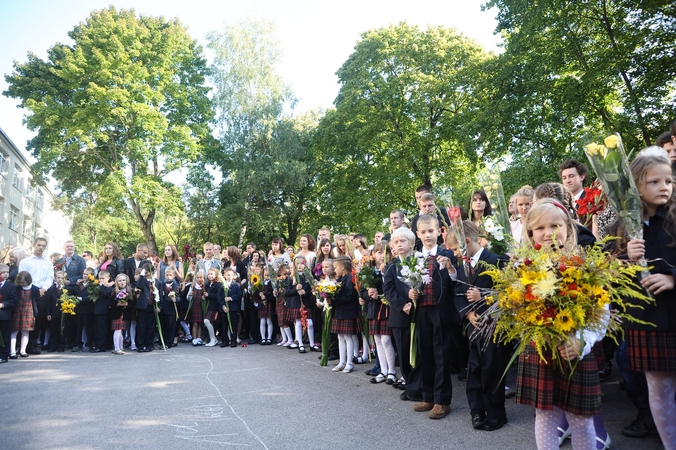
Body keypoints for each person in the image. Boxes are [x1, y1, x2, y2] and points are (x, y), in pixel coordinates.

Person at [517, 198, 604, 450]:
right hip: (541, 350)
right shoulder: (521, 269)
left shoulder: (585, 266)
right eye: (540, 228)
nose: (548, 233)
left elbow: (602, 313)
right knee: (545, 416)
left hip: (576, 350)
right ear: (531, 233)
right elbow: (514, 312)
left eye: (555, 226)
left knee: (581, 420)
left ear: (567, 228)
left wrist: (582, 342)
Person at [625, 154, 676, 448]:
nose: (664, 187)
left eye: (668, 180)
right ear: (635, 186)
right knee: (658, 388)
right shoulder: (625, 225)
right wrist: (627, 258)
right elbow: (611, 274)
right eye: (654, 181)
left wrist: (672, 277)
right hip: (647, 317)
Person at [454, 221, 508, 431]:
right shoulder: (462, 265)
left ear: (467, 241)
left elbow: (507, 292)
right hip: (473, 324)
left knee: (492, 367)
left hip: (493, 324)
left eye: (457, 248)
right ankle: (476, 410)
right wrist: (467, 313)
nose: (456, 253)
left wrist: (483, 296)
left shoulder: (496, 260)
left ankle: (496, 413)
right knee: (474, 367)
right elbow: (457, 293)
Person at [409, 214, 458, 420]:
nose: (428, 235)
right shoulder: (413, 258)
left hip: (441, 311)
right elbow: (408, 282)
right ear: (418, 234)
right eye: (423, 232)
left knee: (441, 355)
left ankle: (442, 401)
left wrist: (450, 268)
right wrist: (410, 293)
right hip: (421, 310)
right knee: (426, 353)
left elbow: (456, 281)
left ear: (439, 232)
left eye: (431, 231)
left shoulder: (448, 255)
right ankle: (428, 396)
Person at [363, 241, 396, 384]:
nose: (382, 256)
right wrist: (368, 294)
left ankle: (392, 371)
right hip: (373, 308)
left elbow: (391, 288)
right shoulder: (368, 271)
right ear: (373, 254)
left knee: (386, 340)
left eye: (386, 253)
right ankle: (383, 370)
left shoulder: (391, 268)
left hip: (386, 307)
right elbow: (362, 291)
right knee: (377, 339)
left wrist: (380, 294)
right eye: (379, 252)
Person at [18, 237, 54, 354]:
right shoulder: (25, 262)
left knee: (38, 320)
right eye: (39, 245)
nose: (41, 248)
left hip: (42, 292)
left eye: (43, 246)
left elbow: (50, 277)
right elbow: (22, 276)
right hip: (28, 291)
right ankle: (21, 346)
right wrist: (32, 289)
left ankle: (32, 346)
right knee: (25, 319)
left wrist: (44, 288)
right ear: (34, 245)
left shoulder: (48, 263)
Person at [330, 256, 360, 373]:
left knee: (348, 337)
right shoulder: (340, 280)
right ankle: (342, 362)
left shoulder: (350, 279)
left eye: (335, 267)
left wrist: (333, 300)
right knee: (340, 336)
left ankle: (349, 363)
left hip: (348, 311)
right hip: (339, 311)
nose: (334, 270)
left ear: (342, 267)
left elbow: (349, 296)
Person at [10, 271, 40, 358]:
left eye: (23, 283)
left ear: (28, 280)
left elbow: (37, 300)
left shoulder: (35, 289)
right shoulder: (16, 288)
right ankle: (12, 352)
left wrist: (34, 310)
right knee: (14, 331)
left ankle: (23, 351)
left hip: (29, 312)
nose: (22, 284)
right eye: (20, 283)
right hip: (17, 311)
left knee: (25, 332)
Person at [70, 267, 96, 352]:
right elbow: (73, 293)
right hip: (78, 310)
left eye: (87, 274)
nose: (85, 276)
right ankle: (78, 344)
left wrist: (81, 299)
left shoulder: (93, 286)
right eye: (84, 274)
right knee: (78, 328)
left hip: (88, 310)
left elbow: (92, 297)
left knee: (88, 328)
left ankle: (89, 344)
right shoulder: (78, 285)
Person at [92, 270, 114, 353]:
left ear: (108, 278)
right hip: (97, 310)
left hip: (104, 311)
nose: (100, 280)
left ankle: (102, 346)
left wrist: (101, 286)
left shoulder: (109, 287)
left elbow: (105, 294)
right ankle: (98, 344)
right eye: (99, 278)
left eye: (103, 278)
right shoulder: (96, 286)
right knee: (97, 329)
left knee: (102, 329)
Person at [109, 273, 132, 355]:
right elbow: (111, 303)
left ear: (127, 281)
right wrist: (118, 304)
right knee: (117, 330)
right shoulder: (114, 291)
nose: (122, 282)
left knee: (121, 331)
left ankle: (121, 346)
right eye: (120, 281)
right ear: (116, 282)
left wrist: (127, 304)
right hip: (116, 313)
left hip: (125, 314)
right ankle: (116, 348)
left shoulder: (129, 291)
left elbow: (132, 303)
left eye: (123, 280)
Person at [0, 264, 18, 363]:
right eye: (3, 272)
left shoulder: (11, 286)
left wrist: (3, 305)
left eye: (7, 272)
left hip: (5, 315)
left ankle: (4, 355)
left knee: (5, 335)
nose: (6, 274)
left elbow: (14, 300)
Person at [221, 267, 242, 348]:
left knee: (233, 325)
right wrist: (223, 306)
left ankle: (233, 341)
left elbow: (239, 295)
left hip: (232, 308)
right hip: (224, 309)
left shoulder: (236, 285)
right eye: (228, 275)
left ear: (234, 276)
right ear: (224, 276)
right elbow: (219, 296)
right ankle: (225, 341)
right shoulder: (222, 285)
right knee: (224, 325)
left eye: (231, 275)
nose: (229, 276)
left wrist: (231, 298)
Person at [203, 267, 224, 347]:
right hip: (210, 305)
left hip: (215, 306)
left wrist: (209, 295)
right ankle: (212, 338)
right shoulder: (207, 284)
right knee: (211, 322)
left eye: (212, 274)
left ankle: (213, 338)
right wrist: (205, 296)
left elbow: (218, 296)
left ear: (216, 275)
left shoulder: (218, 284)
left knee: (206, 321)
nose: (210, 275)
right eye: (208, 274)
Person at [184, 270, 205, 346]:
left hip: (201, 306)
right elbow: (188, 298)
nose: (199, 279)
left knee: (200, 323)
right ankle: (194, 338)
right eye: (198, 277)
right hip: (195, 306)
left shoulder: (204, 287)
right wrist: (190, 295)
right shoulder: (193, 286)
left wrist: (204, 298)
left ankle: (199, 338)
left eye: (201, 278)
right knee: (195, 323)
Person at [258, 266, 274, 345]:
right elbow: (256, 294)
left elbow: (272, 294)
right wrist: (260, 295)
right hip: (262, 304)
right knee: (262, 321)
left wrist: (266, 297)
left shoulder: (272, 283)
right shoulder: (260, 283)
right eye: (266, 275)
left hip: (269, 303)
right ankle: (263, 338)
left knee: (269, 320)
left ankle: (269, 337)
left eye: (269, 275)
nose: (267, 277)